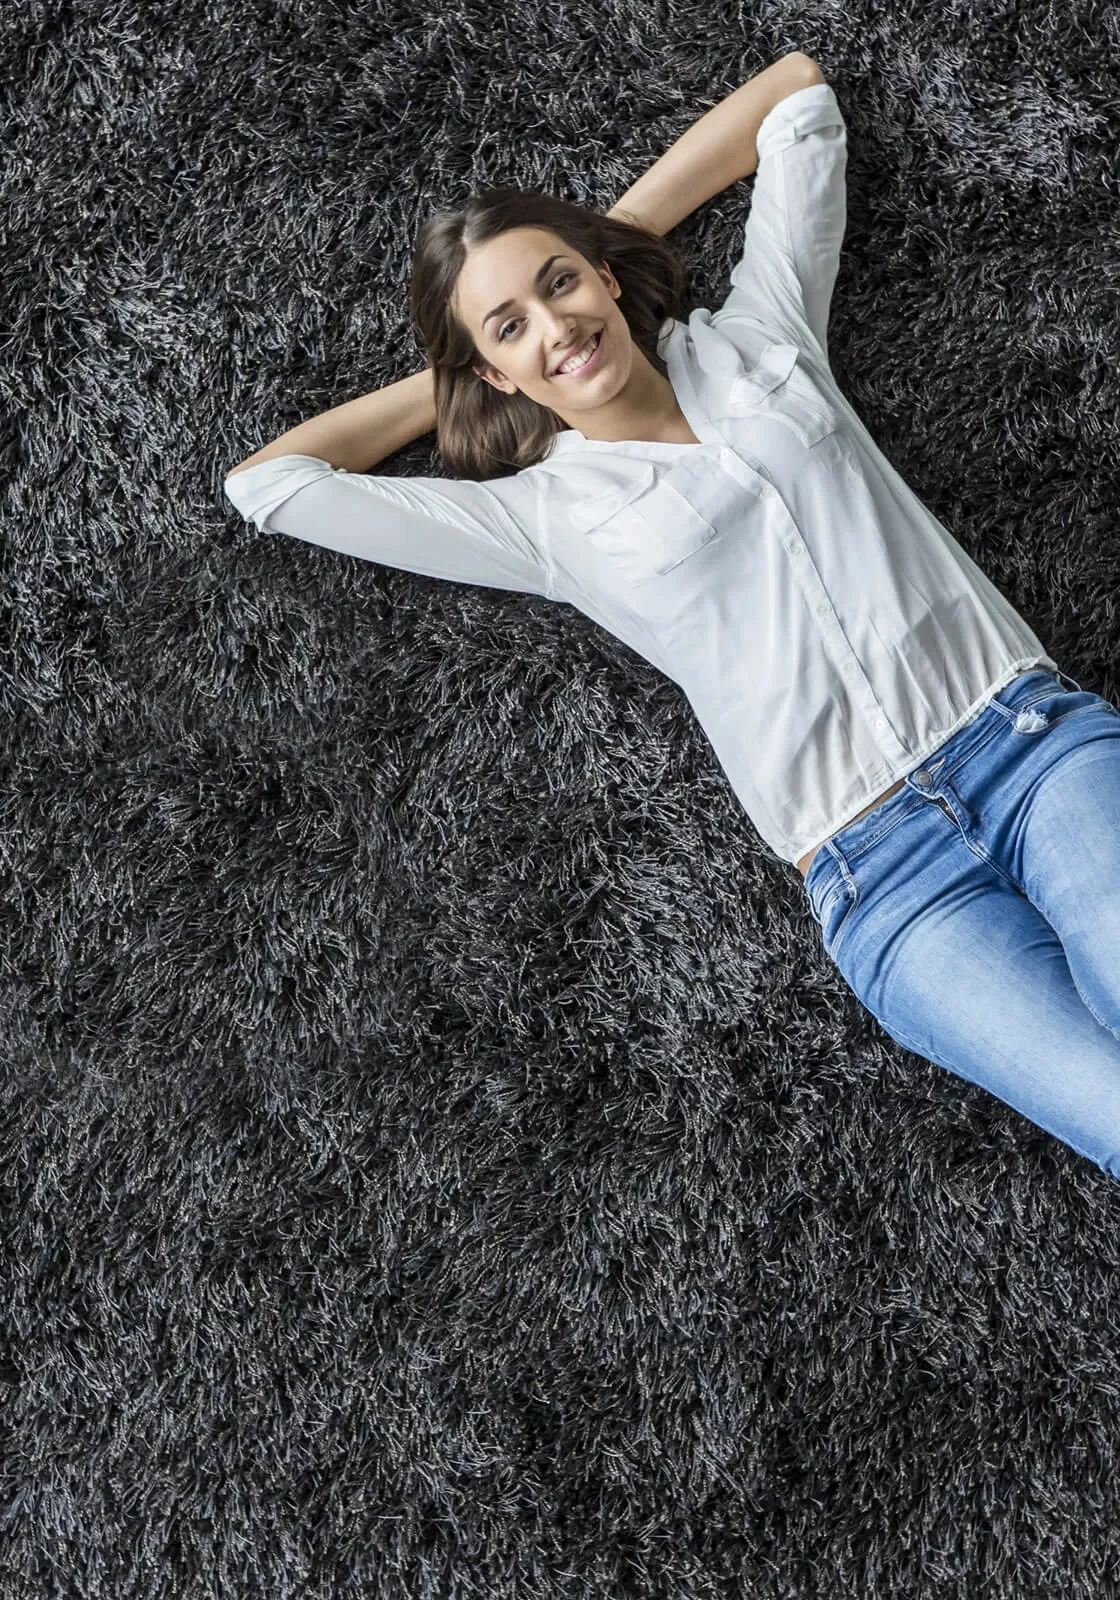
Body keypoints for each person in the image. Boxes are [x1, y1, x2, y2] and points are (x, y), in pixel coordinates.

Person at [224, 55, 1120, 1182]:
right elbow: (273, 485)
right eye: (508, 327)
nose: (554, 326)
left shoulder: (764, 336)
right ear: (492, 375)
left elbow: (795, 97)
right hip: (883, 880)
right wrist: (475, 367)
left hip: (1026, 750)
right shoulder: (541, 519)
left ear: (604, 275)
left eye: (560, 283)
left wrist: (603, 252)